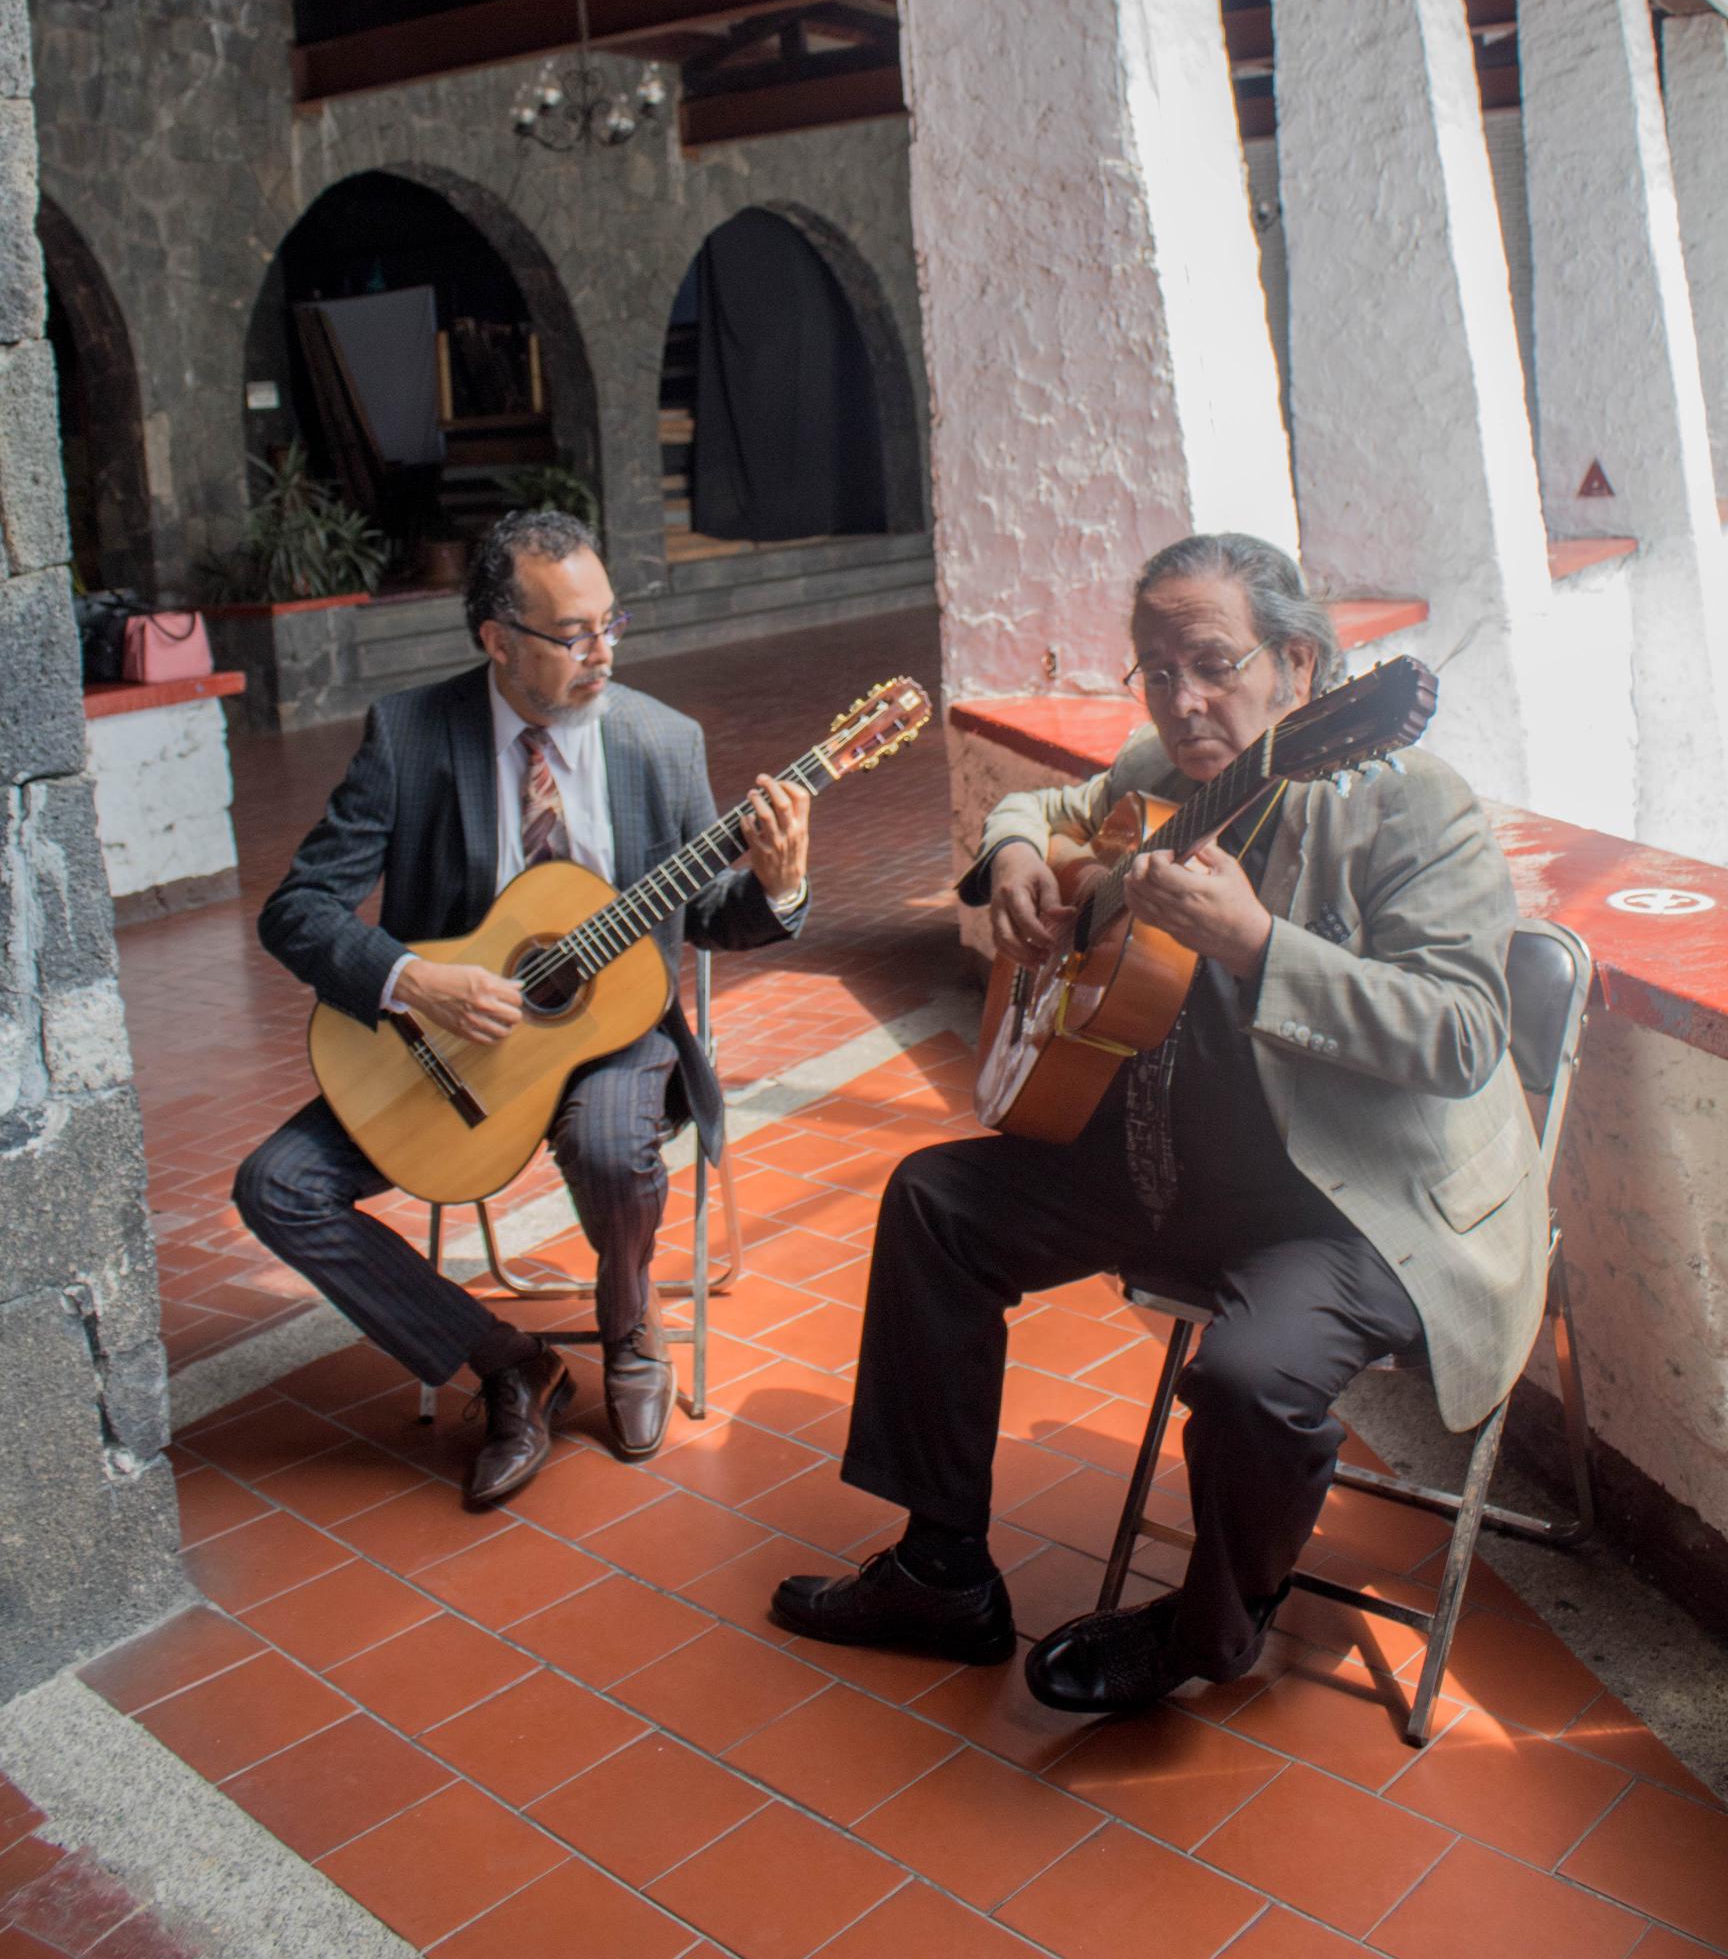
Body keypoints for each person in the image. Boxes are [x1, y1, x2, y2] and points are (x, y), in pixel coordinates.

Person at [772, 532, 1546, 1713]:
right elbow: (1042, 802)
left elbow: (1464, 1034)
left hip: (1345, 1203)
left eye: (1213, 665)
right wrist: (1017, 852)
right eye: (1158, 670)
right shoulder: (1167, 770)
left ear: (1297, 666)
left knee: (1247, 1376)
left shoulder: (1410, 805)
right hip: (1166, 1161)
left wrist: (1258, 946)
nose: (1183, 702)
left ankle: (1208, 1632)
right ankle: (940, 1575)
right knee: (934, 1205)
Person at [235, 508, 810, 1505]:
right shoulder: (410, 735)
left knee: (610, 1146)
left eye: (611, 623)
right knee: (275, 1187)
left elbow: (712, 912)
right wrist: (416, 981)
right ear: (497, 640)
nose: (604, 652)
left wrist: (782, 884)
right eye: (574, 634)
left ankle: (629, 1321)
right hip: (445, 1048)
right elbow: (296, 912)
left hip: (613, 1037)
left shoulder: (660, 741)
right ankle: (509, 1364)